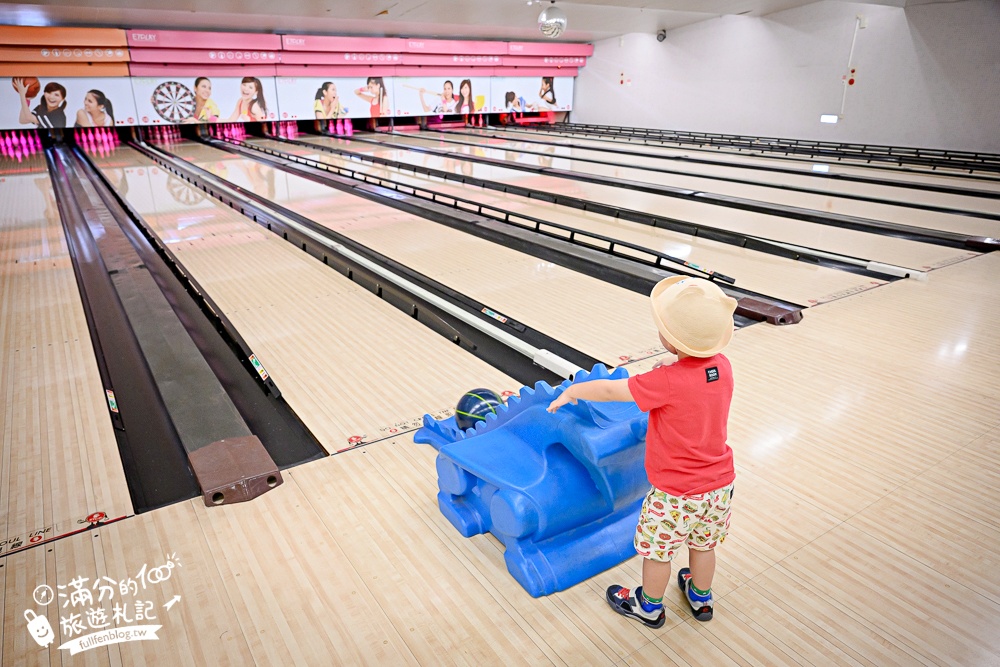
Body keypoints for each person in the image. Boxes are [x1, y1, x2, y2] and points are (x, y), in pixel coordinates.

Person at [547, 276, 738, 628]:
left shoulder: (664, 381)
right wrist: (673, 369)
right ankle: (700, 597)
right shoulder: (722, 367)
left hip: (675, 493)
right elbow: (694, 385)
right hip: (719, 484)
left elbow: (610, 392)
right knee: (703, 545)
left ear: (672, 338)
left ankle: (648, 607)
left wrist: (574, 392)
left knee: (657, 553)